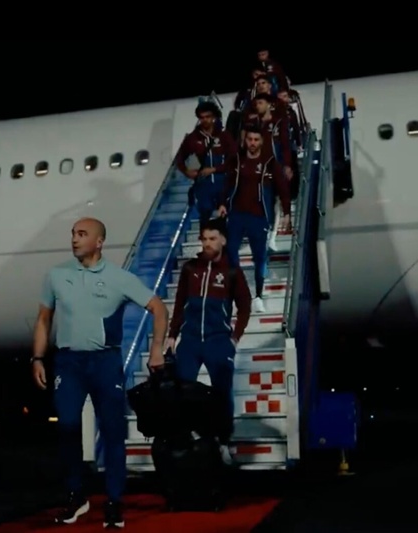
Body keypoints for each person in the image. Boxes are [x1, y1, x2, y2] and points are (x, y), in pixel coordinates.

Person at [32, 217, 169, 529]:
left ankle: (114, 501)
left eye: (82, 234)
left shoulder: (119, 278)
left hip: (105, 362)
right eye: (73, 234)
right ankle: (76, 495)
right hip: (68, 362)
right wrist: (37, 358)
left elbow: (159, 308)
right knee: (67, 426)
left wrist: (157, 348)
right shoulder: (56, 275)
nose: (74, 239)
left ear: (99, 241)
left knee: (112, 430)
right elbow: (43, 318)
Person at [165, 217, 251, 462]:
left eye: (212, 239)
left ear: (223, 240)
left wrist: (234, 338)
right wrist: (172, 335)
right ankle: (188, 439)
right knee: (183, 391)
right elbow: (180, 303)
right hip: (190, 341)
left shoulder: (232, 271)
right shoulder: (190, 269)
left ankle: (223, 441)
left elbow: (245, 307)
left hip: (218, 341)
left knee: (222, 393)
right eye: (204, 239)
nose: (207, 244)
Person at [218, 126, 291, 313]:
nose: (252, 143)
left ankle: (258, 296)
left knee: (259, 257)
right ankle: (238, 292)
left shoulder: (270, 163)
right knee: (230, 253)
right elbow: (227, 184)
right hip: (236, 215)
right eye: (249, 139)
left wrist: (287, 212)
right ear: (245, 141)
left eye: (256, 140)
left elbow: (283, 188)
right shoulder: (237, 160)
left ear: (262, 142)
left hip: (259, 217)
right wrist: (222, 203)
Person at [175, 101, 238, 224]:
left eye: (208, 117)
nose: (205, 120)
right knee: (205, 219)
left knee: (227, 218)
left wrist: (215, 169)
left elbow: (234, 158)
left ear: (214, 117)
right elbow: (180, 158)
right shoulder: (192, 138)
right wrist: (187, 171)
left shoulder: (224, 136)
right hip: (204, 186)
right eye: (202, 117)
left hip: (223, 184)